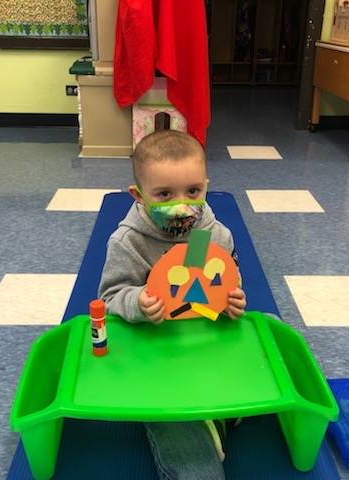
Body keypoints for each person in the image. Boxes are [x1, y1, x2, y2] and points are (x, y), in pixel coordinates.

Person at [98, 129, 246, 480]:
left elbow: (220, 281)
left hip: (203, 338)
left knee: (272, 334)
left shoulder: (211, 234)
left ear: (206, 186)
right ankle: (202, 422)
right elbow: (111, 295)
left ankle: (218, 411)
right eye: (164, 194)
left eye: (193, 191)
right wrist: (137, 302)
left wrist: (234, 300)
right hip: (155, 345)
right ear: (139, 196)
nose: (182, 204)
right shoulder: (128, 241)